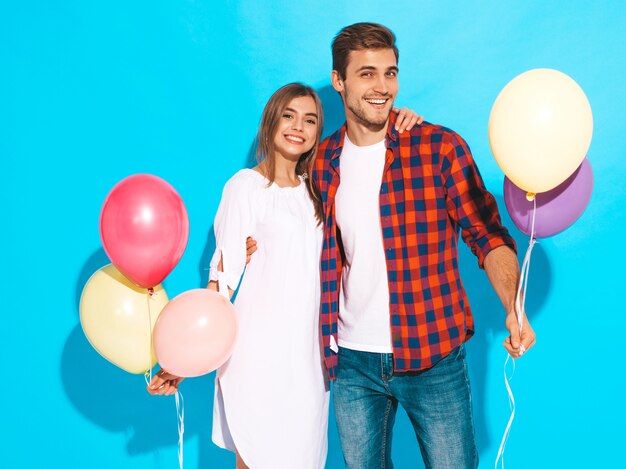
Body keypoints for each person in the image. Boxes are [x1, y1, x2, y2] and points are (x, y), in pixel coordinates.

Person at [146, 83, 421, 469]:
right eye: (289, 116)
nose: (298, 127)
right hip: (256, 353)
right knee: (257, 457)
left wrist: (401, 123)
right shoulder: (245, 188)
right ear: (272, 121)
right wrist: (182, 360)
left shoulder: (321, 188)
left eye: (310, 120)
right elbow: (220, 283)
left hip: (310, 359)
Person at [311, 23, 537, 468]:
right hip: (353, 361)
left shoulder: (438, 148)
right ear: (339, 81)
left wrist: (513, 304)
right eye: (367, 74)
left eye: (390, 73)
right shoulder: (323, 161)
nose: (382, 87)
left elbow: (487, 235)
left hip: (432, 353)